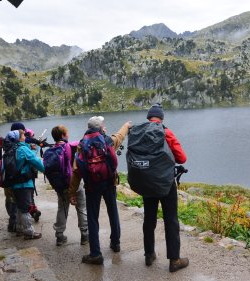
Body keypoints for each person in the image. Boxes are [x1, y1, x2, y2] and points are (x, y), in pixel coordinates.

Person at [69, 116, 131, 265]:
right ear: (100, 127)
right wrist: (126, 126)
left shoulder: (82, 144)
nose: (105, 126)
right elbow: (120, 136)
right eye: (103, 124)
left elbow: (76, 171)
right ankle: (115, 243)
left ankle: (95, 253)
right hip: (109, 183)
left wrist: (72, 192)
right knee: (113, 212)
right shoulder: (107, 141)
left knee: (92, 218)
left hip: (91, 186)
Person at [141, 103, 189, 272]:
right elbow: (182, 158)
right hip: (166, 183)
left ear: (149, 118)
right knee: (171, 220)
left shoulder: (140, 132)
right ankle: (174, 260)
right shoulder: (166, 132)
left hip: (147, 182)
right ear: (161, 118)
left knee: (149, 219)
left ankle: (149, 254)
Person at [45, 125, 88, 246]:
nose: (68, 135)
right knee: (81, 208)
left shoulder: (52, 150)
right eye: (67, 133)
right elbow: (82, 141)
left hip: (60, 186)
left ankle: (59, 236)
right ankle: (85, 235)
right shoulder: (69, 146)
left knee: (62, 209)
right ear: (63, 135)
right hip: (74, 184)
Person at [6, 129, 45, 239]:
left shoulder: (12, 149)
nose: (25, 137)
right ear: (18, 138)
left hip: (14, 184)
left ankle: (19, 228)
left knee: (19, 206)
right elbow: (35, 161)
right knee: (25, 209)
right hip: (24, 184)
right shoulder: (22, 149)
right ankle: (29, 232)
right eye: (23, 135)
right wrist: (47, 170)